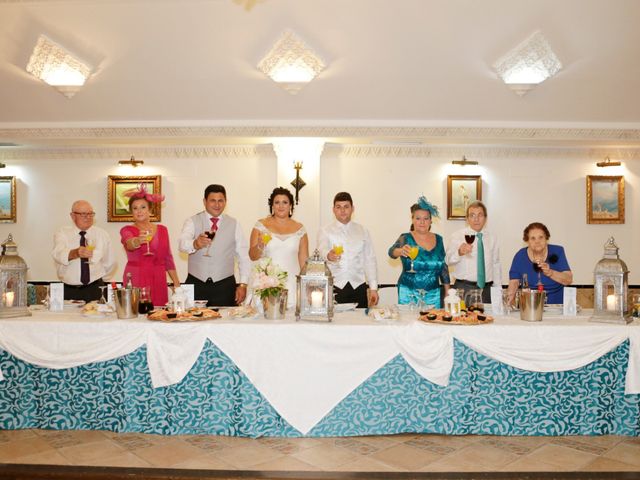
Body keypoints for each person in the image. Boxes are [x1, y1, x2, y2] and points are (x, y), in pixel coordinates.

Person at [178, 184, 250, 307]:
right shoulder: (192, 221)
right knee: (193, 323)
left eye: (220, 201)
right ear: (204, 201)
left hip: (225, 286)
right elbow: (182, 244)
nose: (217, 205)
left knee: (225, 324)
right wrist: (195, 244)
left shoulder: (234, 223)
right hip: (196, 284)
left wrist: (243, 284)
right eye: (212, 200)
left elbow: (243, 256)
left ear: (225, 202)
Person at [249, 187, 309, 308]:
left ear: (290, 205)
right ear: (272, 205)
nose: (281, 206)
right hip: (267, 282)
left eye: (285, 202)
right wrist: (260, 245)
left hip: (292, 284)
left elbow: (304, 263)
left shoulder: (300, 229)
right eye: (277, 202)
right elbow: (252, 256)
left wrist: (307, 286)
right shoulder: (260, 226)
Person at [120, 186, 180, 307]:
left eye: (143, 207)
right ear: (131, 212)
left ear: (150, 210)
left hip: (159, 277)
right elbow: (129, 243)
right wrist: (137, 241)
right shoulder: (127, 229)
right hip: (136, 276)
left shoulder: (163, 230)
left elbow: (168, 258)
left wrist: (176, 284)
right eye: (135, 208)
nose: (139, 211)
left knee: (158, 315)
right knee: (137, 313)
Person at [317, 192, 378, 308]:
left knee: (360, 323)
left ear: (352, 208)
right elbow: (321, 249)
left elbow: (369, 259)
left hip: (358, 286)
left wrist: (373, 288)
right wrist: (328, 255)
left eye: (346, 207)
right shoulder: (325, 230)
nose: (342, 210)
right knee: (335, 324)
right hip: (334, 286)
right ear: (333, 209)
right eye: (338, 207)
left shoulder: (363, 231)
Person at [388, 196, 450, 307]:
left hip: (433, 294)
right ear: (412, 220)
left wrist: (447, 293)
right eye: (418, 218)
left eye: (426, 218)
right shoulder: (405, 237)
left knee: (432, 323)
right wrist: (400, 251)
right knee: (408, 323)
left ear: (431, 221)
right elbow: (391, 252)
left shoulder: (439, 239)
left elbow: (443, 268)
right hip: (408, 293)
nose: (422, 222)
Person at [52, 200, 115, 302]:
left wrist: (101, 280)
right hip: (68, 289)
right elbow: (58, 254)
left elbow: (110, 263)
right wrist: (76, 253)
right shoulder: (62, 233)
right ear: (72, 216)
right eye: (83, 214)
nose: (88, 217)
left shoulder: (102, 234)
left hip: (95, 289)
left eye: (91, 214)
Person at [446, 201, 501, 303]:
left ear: (485, 218)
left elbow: (496, 264)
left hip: (487, 290)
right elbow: (447, 261)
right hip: (464, 288)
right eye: (472, 215)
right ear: (467, 219)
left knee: (487, 318)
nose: (476, 219)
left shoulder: (492, 237)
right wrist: (459, 253)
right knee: (462, 319)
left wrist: (498, 291)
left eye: (480, 215)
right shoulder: (457, 236)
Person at [507, 222, 573, 305]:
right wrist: (509, 302)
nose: (537, 241)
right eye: (533, 238)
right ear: (527, 241)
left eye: (541, 237)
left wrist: (551, 273)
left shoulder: (557, 251)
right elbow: (514, 282)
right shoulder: (520, 256)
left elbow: (568, 279)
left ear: (546, 238)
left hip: (557, 305)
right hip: (530, 305)